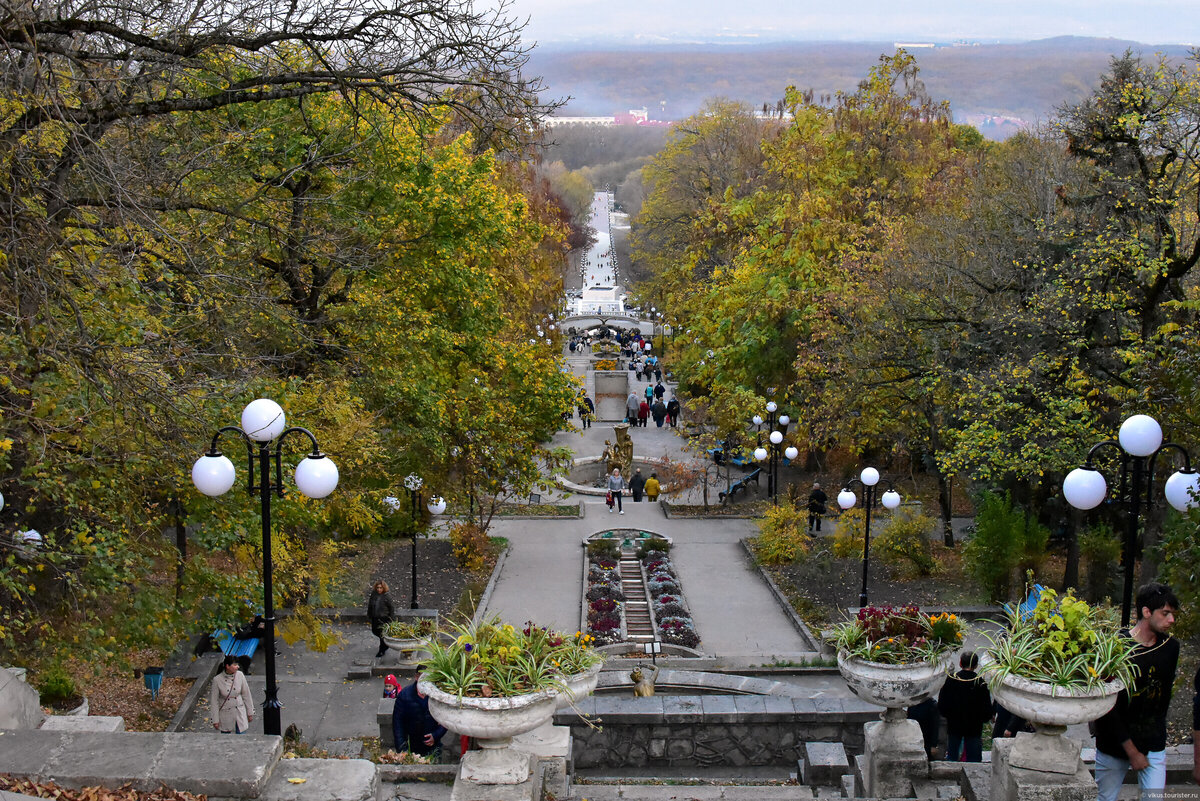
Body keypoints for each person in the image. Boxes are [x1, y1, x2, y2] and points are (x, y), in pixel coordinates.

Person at [1094, 582, 1180, 801]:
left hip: (1153, 745)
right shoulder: (1116, 647)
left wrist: (1155, 742)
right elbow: (1106, 704)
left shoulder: (1170, 648)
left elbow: (1163, 698)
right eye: (1165, 613)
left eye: (1172, 614)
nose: (1171, 620)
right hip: (1114, 744)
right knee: (1105, 798)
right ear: (1146, 612)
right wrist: (1131, 751)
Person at [937, 651, 992, 762]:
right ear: (976, 665)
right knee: (974, 759)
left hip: (954, 725)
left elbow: (942, 704)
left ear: (960, 663)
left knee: (952, 755)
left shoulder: (952, 680)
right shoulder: (980, 683)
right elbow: (987, 710)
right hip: (974, 728)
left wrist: (949, 716)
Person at [392, 667, 447, 758]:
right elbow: (397, 723)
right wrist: (402, 749)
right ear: (417, 677)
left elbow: (446, 718)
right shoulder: (404, 695)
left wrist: (436, 735)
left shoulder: (437, 695)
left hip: (433, 746)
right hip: (411, 745)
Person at [211, 655, 254, 733]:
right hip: (225, 713)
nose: (237, 667)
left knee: (241, 736)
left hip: (239, 711)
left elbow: (246, 694)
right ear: (227, 666)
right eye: (235, 665)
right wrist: (215, 720)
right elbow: (214, 701)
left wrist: (250, 712)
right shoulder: (217, 680)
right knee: (226, 739)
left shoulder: (240, 675)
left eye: (237, 664)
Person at [368, 580, 395, 658]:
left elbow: (391, 608)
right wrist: (369, 615)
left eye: (380, 588)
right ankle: (385, 645)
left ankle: (382, 650)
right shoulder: (374, 594)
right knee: (375, 631)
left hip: (384, 618)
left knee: (382, 634)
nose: (379, 589)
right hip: (375, 617)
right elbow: (370, 605)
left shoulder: (387, 596)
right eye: (378, 588)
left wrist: (391, 619)